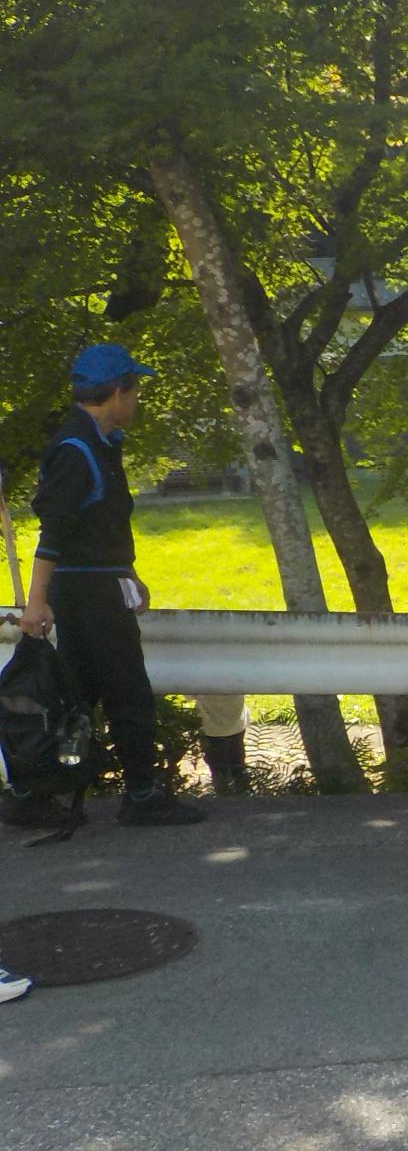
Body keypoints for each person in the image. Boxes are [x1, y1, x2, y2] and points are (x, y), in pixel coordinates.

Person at [8, 344, 203, 828]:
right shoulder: (77, 450)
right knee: (129, 691)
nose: (136, 402)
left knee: (76, 694)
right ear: (118, 390)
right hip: (88, 594)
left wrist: (127, 573)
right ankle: (140, 795)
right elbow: (54, 532)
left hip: (94, 584)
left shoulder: (96, 444)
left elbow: (101, 525)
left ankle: (32, 791)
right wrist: (35, 603)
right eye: (134, 390)